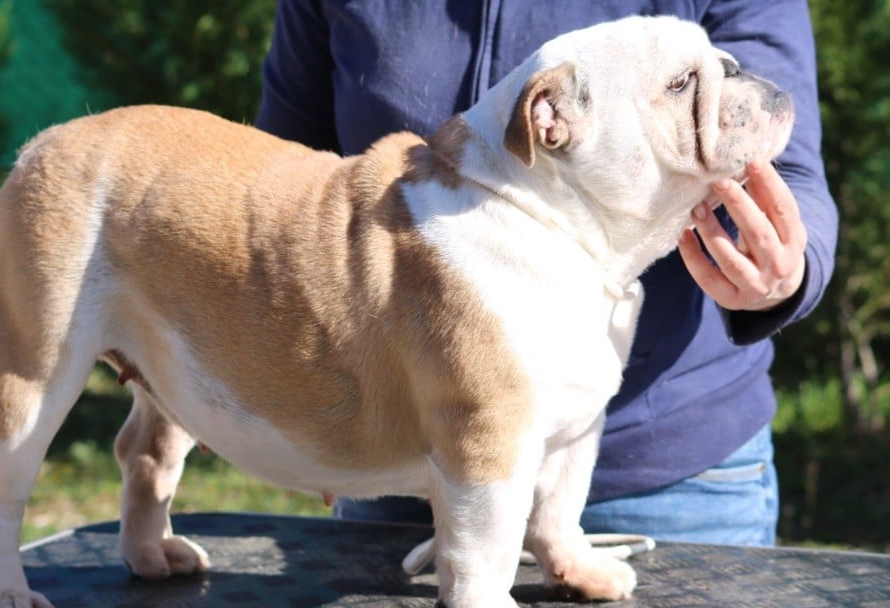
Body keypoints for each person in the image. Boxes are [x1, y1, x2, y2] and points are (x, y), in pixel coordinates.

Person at [254, 0, 838, 546]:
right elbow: (281, 180)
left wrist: (787, 267)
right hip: (398, 451)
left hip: (668, 464)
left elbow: (789, 165)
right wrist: (280, 373)